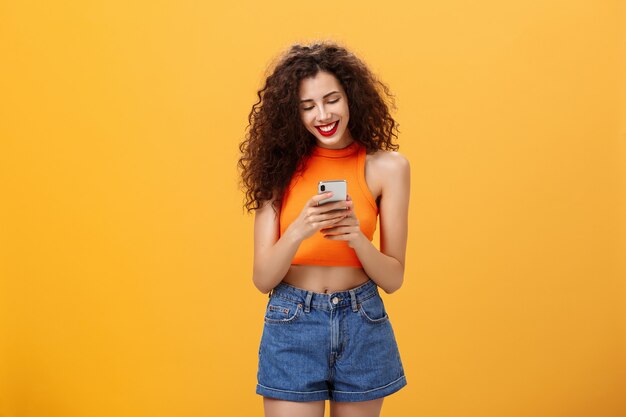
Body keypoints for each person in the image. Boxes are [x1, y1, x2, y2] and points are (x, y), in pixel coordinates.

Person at [238, 41, 410, 417]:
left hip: (362, 321)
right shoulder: (278, 169)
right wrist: (299, 230)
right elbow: (263, 278)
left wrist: (356, 238)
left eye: (331, 99)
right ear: (292, 113)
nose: (322, 114)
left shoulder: (389, 168)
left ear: (351, 97)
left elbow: (394, 277)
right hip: (292, 321)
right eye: (307, 106)